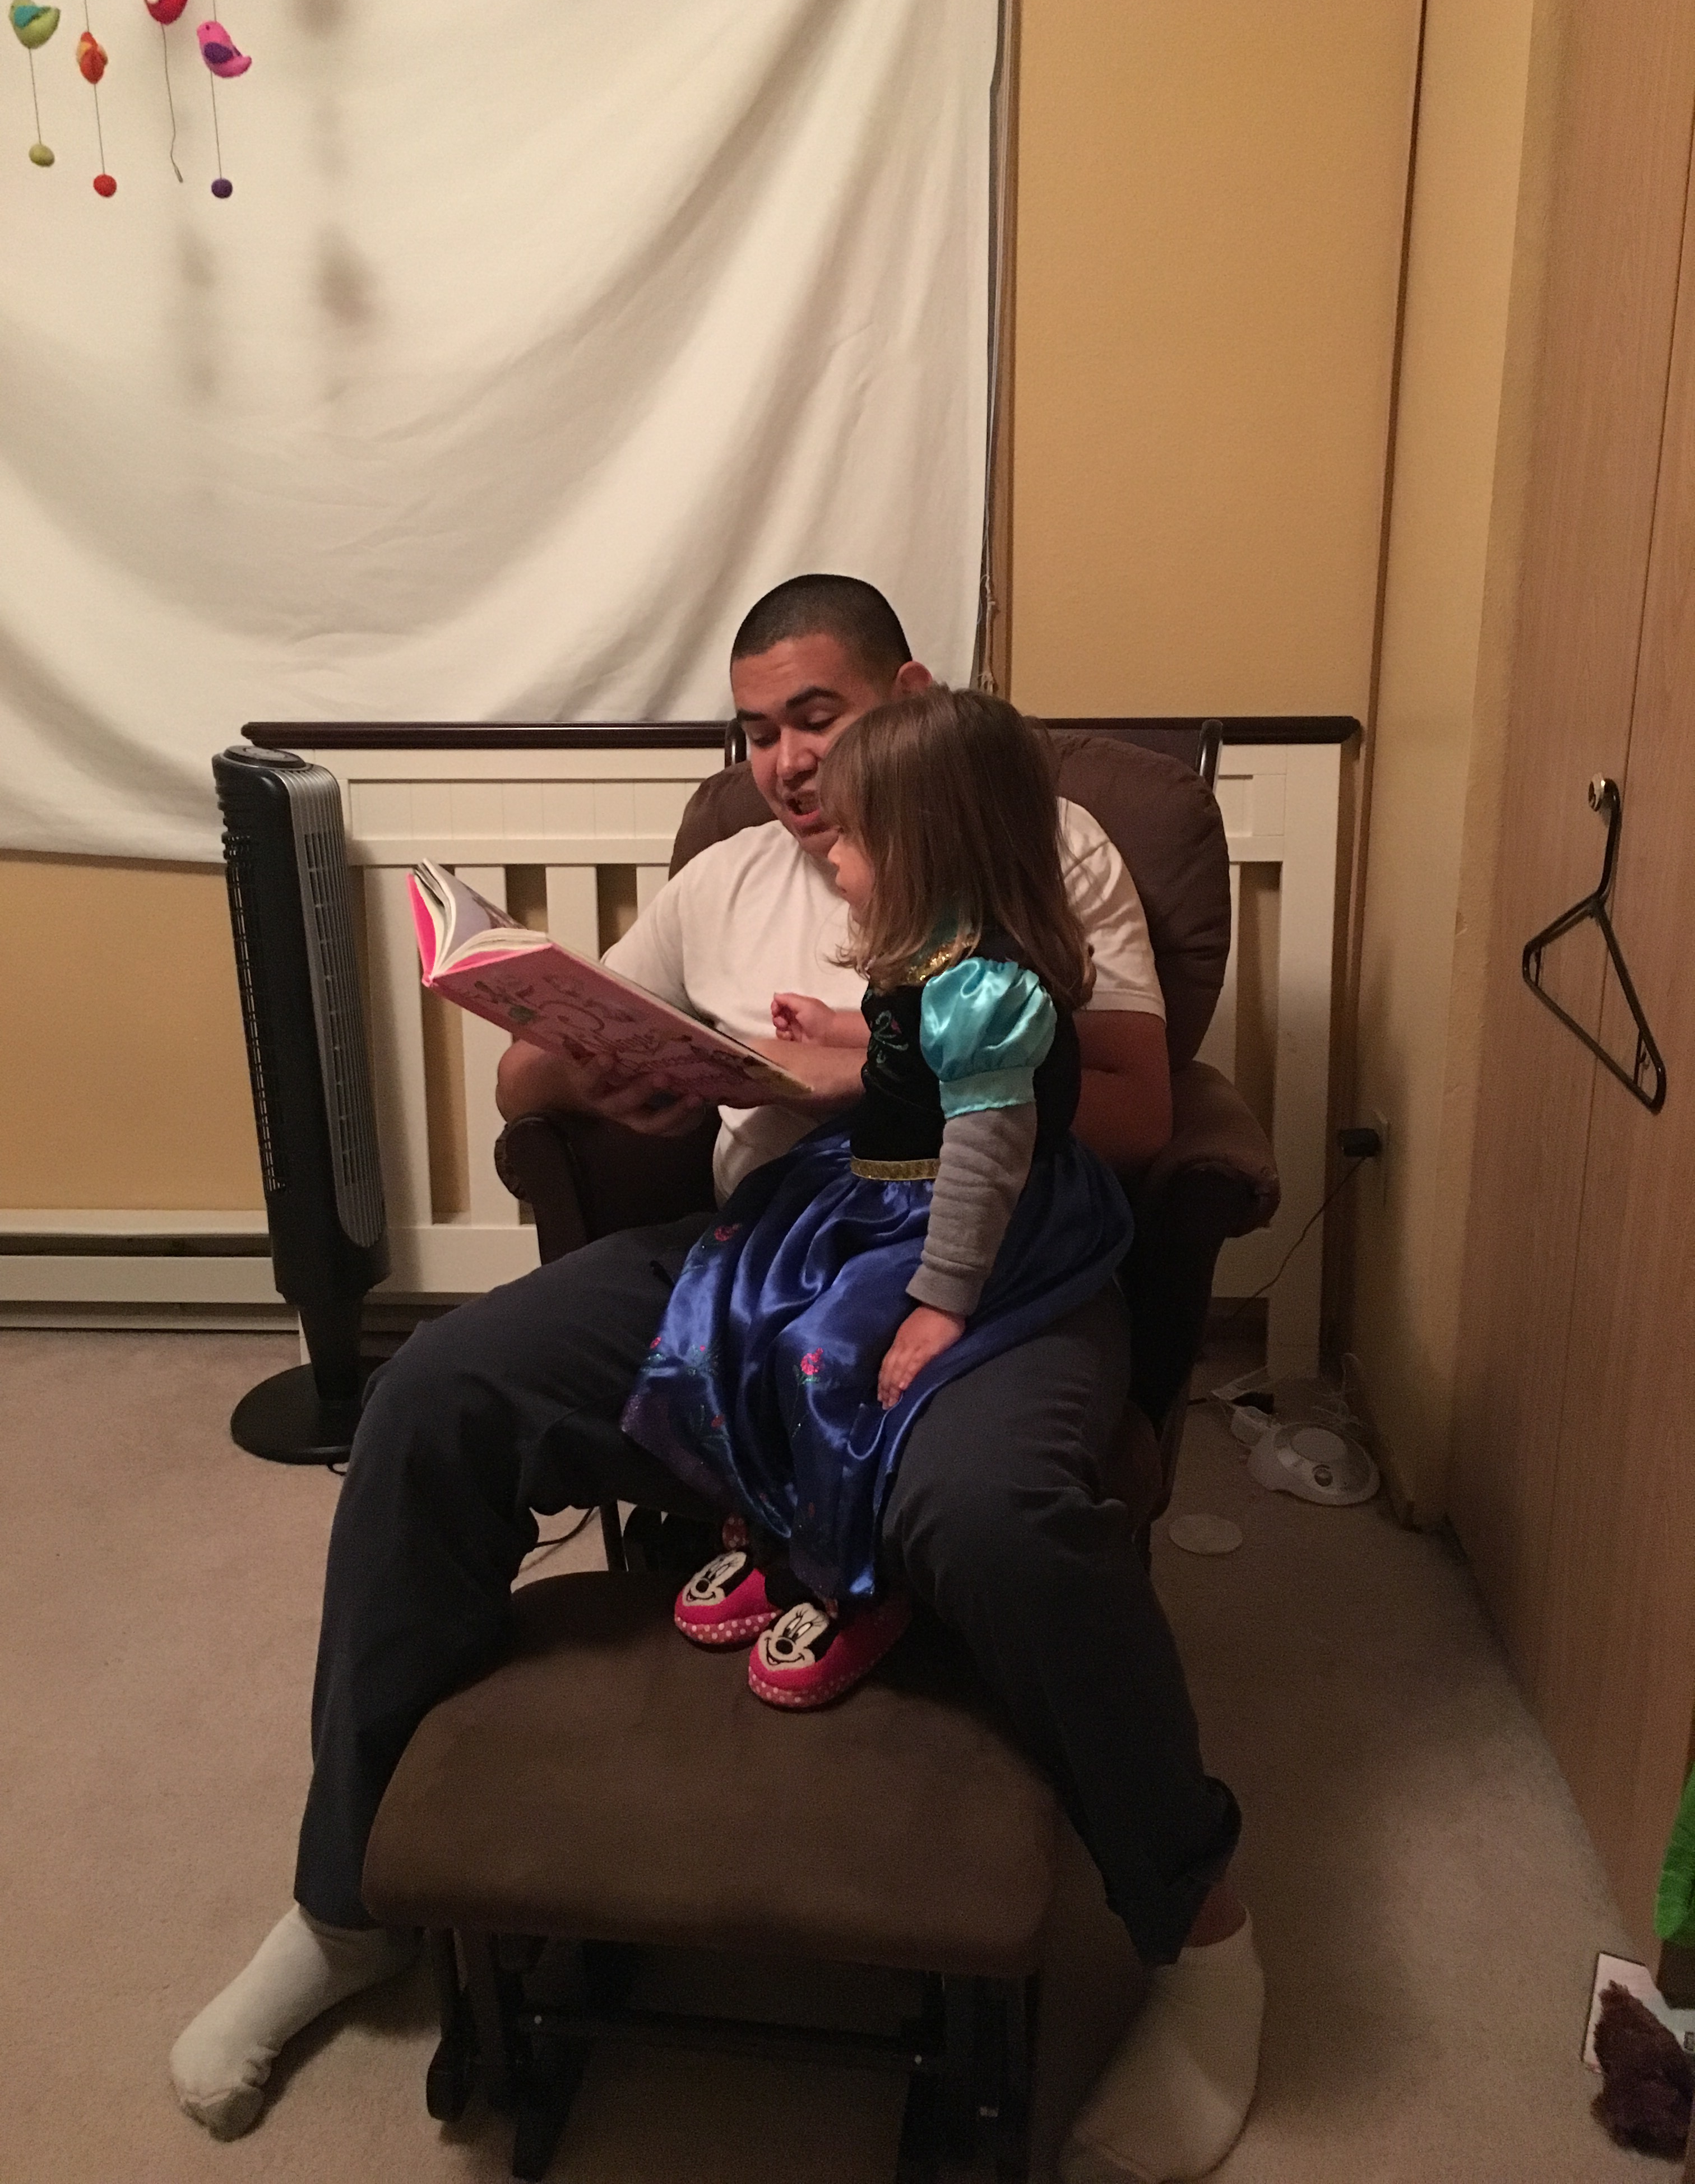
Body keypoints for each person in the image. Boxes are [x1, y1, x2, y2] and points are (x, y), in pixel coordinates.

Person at [170, 575, 1263, 2183]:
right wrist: (589, 1061)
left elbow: (1136, 1111)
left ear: (907, 696)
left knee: (999, 1513)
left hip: (991, 1257)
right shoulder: (722, 878)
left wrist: (864, 1079)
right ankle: (347, 1905)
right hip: (755, 1254)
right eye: (754, 731)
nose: (785, 762)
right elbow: (530, 1075)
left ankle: (1201, 1933)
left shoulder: (1037, 837)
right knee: (434, 1400)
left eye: (817, 716)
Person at [631, 688, 1136, 1709]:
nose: (834, 856)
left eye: (855, 838)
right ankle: (768, 1522)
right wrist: (837, 1028)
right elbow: (909, 1037)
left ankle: (851, 1580)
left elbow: (987, 1154)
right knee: (736, 1294)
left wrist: (942, 1302)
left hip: (964, 1212)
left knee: (824, 1355)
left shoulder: (991, 992)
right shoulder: (929, 944)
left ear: (925, 848)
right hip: (879, 1182)